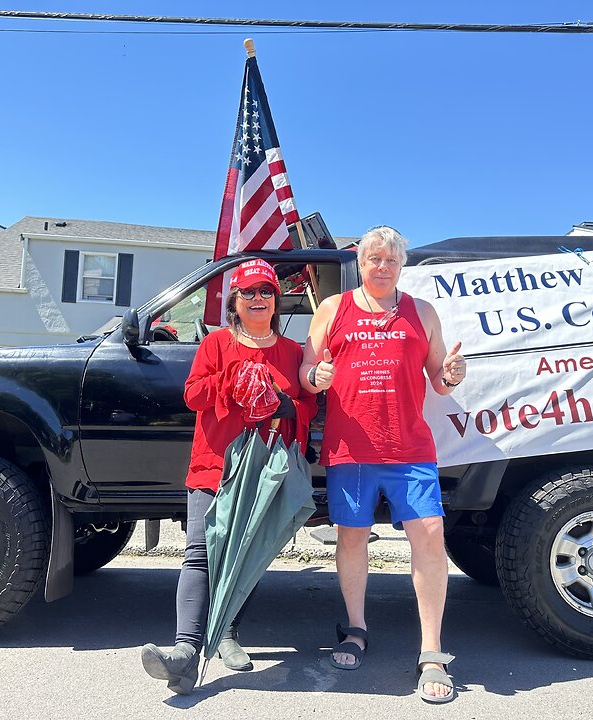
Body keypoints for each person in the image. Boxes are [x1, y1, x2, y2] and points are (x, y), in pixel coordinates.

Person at [299, 226, 468, 704]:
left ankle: (431, 651)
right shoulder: (334, 309)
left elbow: (440, 380)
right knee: (352, 537)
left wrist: (452, 374)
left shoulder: (422, 313)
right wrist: (317, 375)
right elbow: (306, 376)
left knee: (431, 535)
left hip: (409, 448)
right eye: (374, 259)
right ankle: (355, 629)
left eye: (391, 261)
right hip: (350, 449)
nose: (382, 267)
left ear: (401, 266)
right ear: (360, 261)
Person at [141, 258, 317, 695]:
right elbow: (193, 394)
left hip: (264, 471)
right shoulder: (217, 343)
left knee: (245, 556)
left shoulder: (293, 352)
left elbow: (308, 407)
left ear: (277, 300)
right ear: (235, 302)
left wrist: (285, 405)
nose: (258, 298)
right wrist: (234, 378)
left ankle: (228, 636)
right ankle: (184, 651)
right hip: (214, 465)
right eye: (248, 292)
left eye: (266, 291)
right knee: (200, 554)